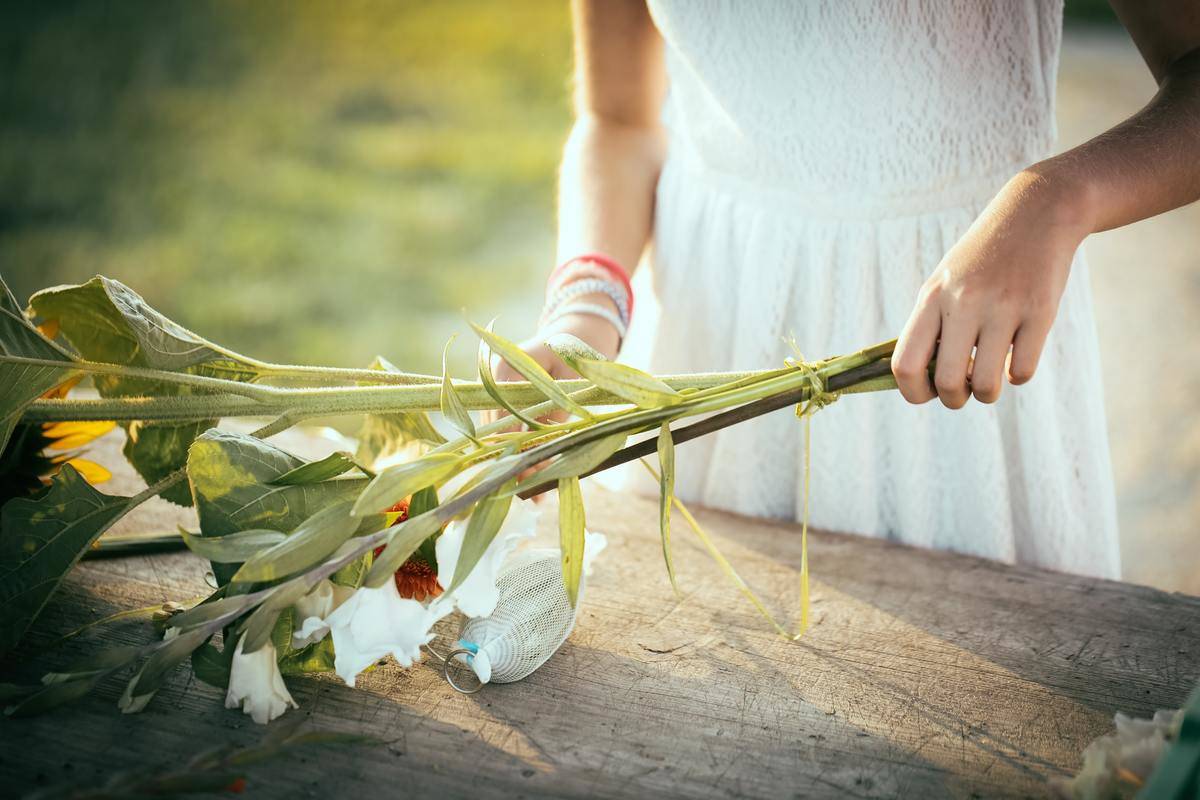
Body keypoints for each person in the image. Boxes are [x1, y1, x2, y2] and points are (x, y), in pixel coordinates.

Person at [488, 0, 1200, 579]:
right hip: (706, 342)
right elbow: (618, 120)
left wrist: (1056, 200)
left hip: (954, 333)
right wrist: (588, 304)